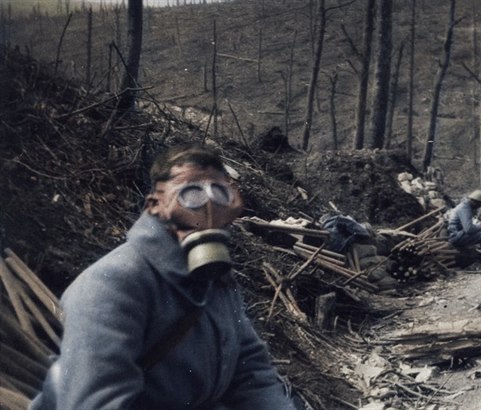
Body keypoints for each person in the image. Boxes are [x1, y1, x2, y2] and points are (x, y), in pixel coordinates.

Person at [31, 144, 295, 410]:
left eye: (219, 193)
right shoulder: (112, 285)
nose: (208, 208)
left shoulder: (214, 279)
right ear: (154, 205)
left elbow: (250, 371)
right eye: (190, 195)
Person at [447, 190, 481, 268]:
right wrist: (480, 227)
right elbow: (469, 229)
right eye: (479, 205)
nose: (479, 207)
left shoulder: (465, 206)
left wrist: (477, 226)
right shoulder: (465, 208)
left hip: (458, 233)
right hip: (455, 237)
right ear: (475, 202)